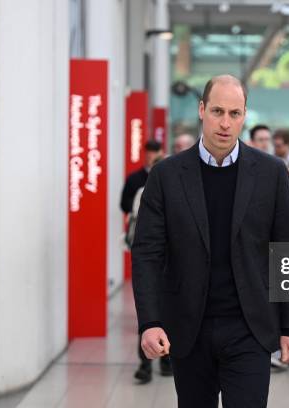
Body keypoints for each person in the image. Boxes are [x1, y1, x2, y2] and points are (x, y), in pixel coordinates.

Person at [132, 74, 289, 407]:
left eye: (235, 114)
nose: (225, 123)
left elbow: (287, 250)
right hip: (188, 328)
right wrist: (150, 322)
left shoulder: (271, 173)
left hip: (250, 328)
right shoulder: (166, 176)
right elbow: (147, 254)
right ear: (201, 110)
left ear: (244, 116)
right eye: (217, 111)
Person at [119, 139, 169, 383]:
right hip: (153, 260)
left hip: (172, 266)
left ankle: (167, 359)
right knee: (150, 314)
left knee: (169, 312)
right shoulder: (140, 186)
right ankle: (147, 363)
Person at [120, 140, 164, 214]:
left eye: (154, 152)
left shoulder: (166, 177)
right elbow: (124, 204)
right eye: (149, 152)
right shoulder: (133, 178)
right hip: (139, 220)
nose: (151, 155)